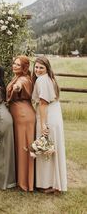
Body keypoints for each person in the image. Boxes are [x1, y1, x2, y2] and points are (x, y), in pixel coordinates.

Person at [32, 56, 67, 193]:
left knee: (45, 148)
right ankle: (52, 182)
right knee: (52, 148)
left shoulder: (41, 79)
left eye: (41, 67)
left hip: (47, 116)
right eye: (36, 67)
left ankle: (46, 183)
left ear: (47, 68)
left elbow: (43, 103)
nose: (38, 70)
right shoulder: (50, 78)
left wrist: (42, 124)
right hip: (55, 114)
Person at [7, 56, 35, 191]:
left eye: (18, 65)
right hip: (20, 115)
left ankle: (25, 182)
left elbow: (20, 86)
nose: (14, 66)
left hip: (23, 116)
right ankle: (21, 178)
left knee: (24, 148)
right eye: (14, 63)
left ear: (24, 67)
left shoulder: (23, 79)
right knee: (20, 147)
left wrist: (16, 88)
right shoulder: (17, 77)